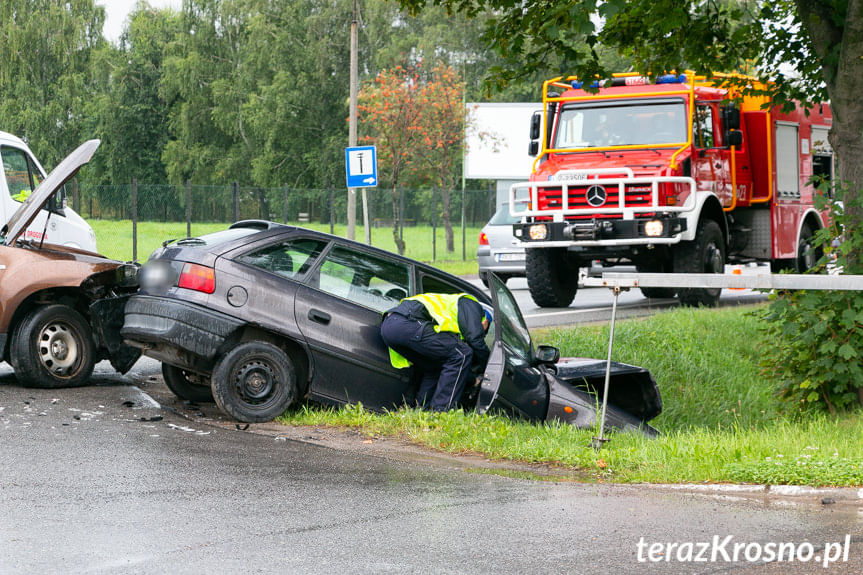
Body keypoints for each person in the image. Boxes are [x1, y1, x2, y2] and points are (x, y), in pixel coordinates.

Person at [381, 292, 492, 412]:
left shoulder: (457, 311)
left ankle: (421, 410)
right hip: (407, 322)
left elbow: (453, 366)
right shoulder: (472, 305)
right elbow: (475, 339)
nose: (483, 334)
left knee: (435, 366)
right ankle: (441, 411)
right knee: (462, 354)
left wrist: (473, 379)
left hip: (389, 327)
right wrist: (489, 367)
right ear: (485, 321)